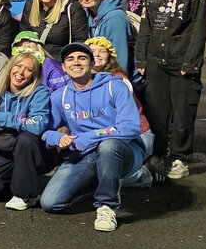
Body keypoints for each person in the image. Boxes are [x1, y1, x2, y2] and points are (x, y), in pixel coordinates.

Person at [41, 43, 149, 232]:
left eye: (82, 58)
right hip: (86, 154)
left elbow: (131, 127)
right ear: (64, 67)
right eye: (70, 59)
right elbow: (46, 129)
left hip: (124, 150)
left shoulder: (114, 86)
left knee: (108, 146)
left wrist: (89, 137)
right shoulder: (60, 96)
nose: (76, 63)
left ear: (91, 64)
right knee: (51, 203)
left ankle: (107, 206)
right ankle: (105, 185)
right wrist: (56, 138)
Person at [135, 0, 206, 181]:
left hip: (182, 62)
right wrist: (141, 59)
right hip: (156, 61)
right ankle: (157, 155)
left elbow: (199, 30)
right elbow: (146, 28)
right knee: (157, 113)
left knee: (183, 114)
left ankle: (180, 158)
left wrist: (191, 62)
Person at [0, 51, 54, 209]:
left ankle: (26, 195)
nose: (21, 72)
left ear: (34, 75)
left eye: (28, 69)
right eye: (18, 66)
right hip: (3, 151)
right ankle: (18, 184)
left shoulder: (39, 93)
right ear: (10, 68)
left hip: (32, 152)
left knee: (26, 138)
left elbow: (36, 125)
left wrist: (2, 117)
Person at [22, 0, 88, 60]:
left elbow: (80, 40)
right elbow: (23, 33)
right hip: (34, 58)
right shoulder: (30, 5)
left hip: (59, 61)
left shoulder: (73, 8)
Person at [76, 0, 131, 76]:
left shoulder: (115, 18)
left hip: (117, 77)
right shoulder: (88, 13)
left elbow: (119, 56)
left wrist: (118, 81)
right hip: (100, 73)